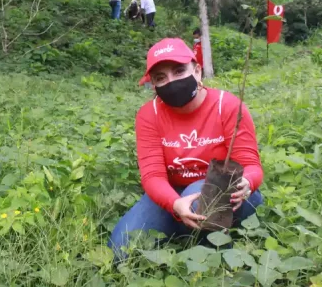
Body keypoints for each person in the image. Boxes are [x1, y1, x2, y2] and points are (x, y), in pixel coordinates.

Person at [108, 38, 263, 262]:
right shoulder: (148, 115)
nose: (171, 82)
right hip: (174, 191)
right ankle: (185, 223)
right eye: (161, 78)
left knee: (202, 198)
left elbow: (251, 165)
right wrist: (173, 203)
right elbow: (152, 176)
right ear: (153, 85)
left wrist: (247, 182)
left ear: (197, 71)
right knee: (120, 250)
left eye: (179, 71)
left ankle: (204, 242)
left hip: (222, 188)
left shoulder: (227, 106)